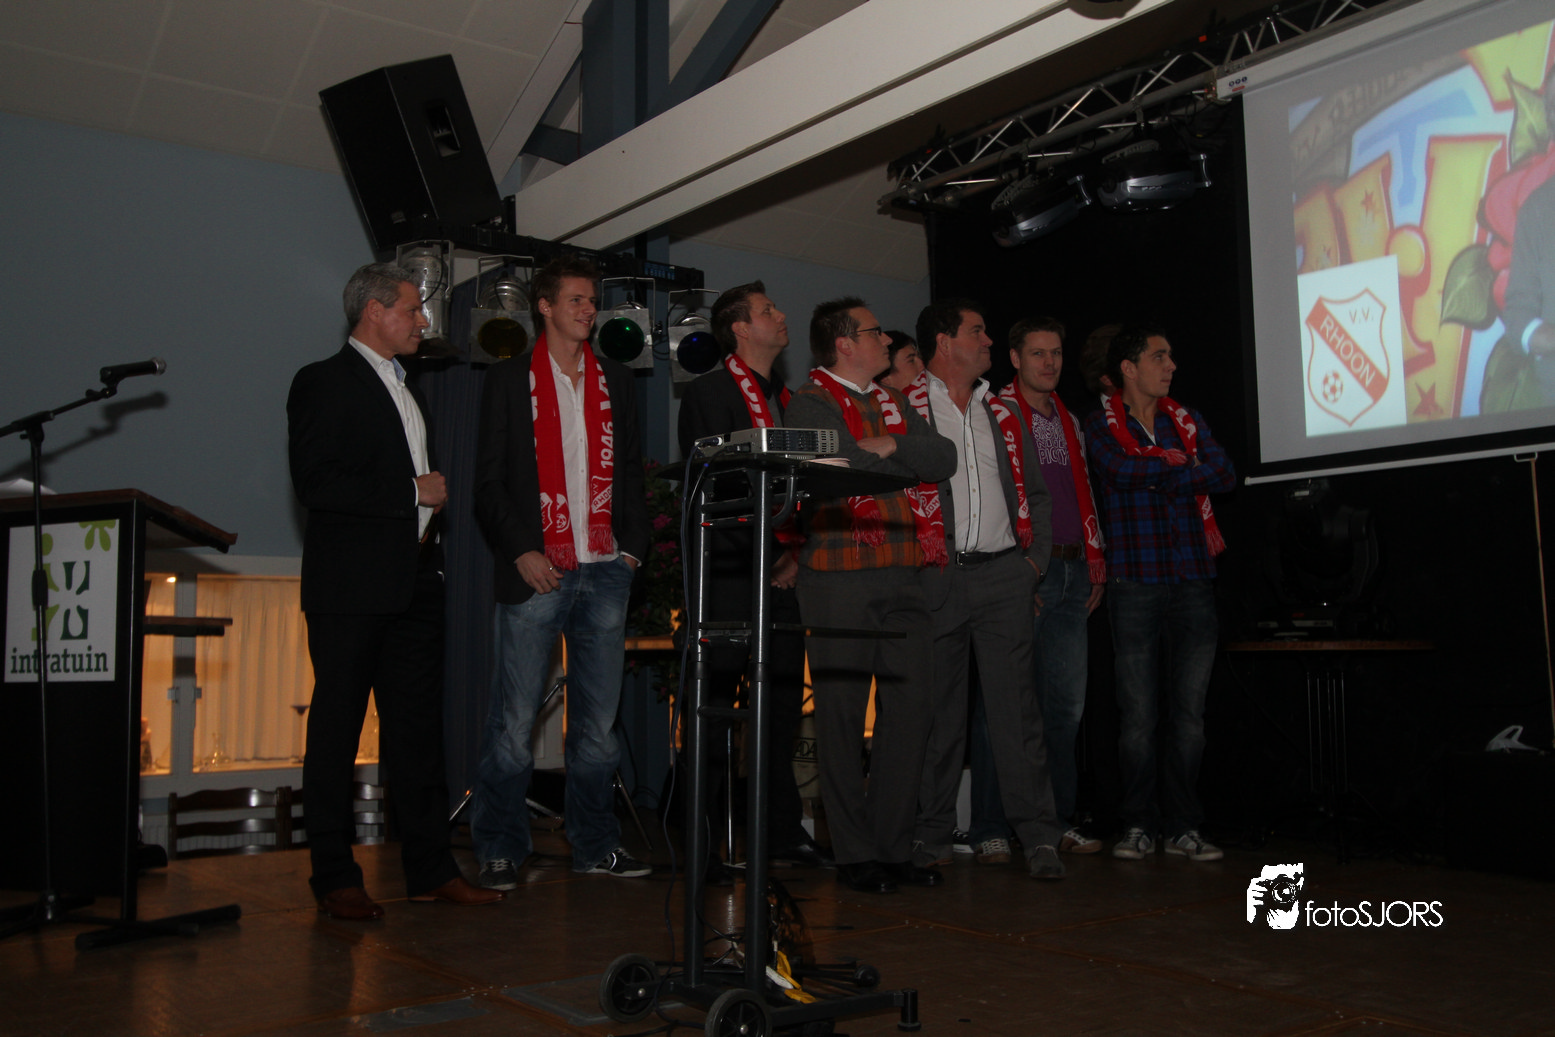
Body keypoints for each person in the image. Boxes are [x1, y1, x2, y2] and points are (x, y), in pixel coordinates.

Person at [287, 262, 502, 919]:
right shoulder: (322, 380)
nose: (422, 320)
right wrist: (413, 491)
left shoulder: (408, 388)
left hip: (416, 580)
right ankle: (334, 875)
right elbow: (317, 483)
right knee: (337, 731)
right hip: (351, 587)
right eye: (411, 308)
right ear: (374, 311)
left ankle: (430, 870)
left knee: (417, 733)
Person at [470, 255, 652, 888]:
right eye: (575, 299)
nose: (588, 309)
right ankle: (500, 846)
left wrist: (632, 551)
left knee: (598, 727)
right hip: (537, 570)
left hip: (605, 568)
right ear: (544, 307)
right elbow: (488, 482)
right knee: (514, 722)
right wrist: (522, 549)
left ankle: (596, 845)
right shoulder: (508, 379)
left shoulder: (616, 380)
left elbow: (631, 472)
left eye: (591, 300)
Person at [785, 297, 957, 894]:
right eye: (875, 332)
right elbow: (842, 470)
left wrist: (888, 446)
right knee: (840, 716)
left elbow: (943, 458)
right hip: (839, 576)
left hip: (903, 572)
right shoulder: (809, 401)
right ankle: (854, 854)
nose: (886, 340)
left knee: (911, 714)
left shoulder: (892, 402)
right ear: (844, 344)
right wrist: (894, 451)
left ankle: (892, 848)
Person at [676, 280, 832, 873]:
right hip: (730, 574)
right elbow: (715, 487)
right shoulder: (709, 392)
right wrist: (768, 556)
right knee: (715, 707)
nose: (782, 314)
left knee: (782, 709)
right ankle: (704, 844)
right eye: (768, 310)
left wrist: (795, 552)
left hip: (785, 574)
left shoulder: (791, 399)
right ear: (740, 328)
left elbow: (807, 484)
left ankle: (780, 833)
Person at [908, 300, 1067, 880]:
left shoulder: (1001, 411)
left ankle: (1040, 837)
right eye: (977, 331)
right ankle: (931, 836)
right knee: (939, 716)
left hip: (1004, 576)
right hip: (937, 576)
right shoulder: (904, 407)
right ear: (944, 342)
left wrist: (1033, 565)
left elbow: (1039, 496)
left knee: (1017, 714)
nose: (989, 341)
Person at [1083, 325, 1235, 862]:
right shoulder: (1100, 423)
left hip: (1193, 578)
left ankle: (1184, 826)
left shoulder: (1185, 420)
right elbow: (1118, 469)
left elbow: (1224, 472)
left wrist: (1163, 470)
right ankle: (1137, 824)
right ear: (1128, 367)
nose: (1171, 366)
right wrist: (1181, 467)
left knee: (1190, 718)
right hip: (1134, 583)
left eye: (1170, 356)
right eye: (1159, 356)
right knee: (1139, 718)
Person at [1001, 317, 1106, 854]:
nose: (1049, 362)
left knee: (1065, 709)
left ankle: (1056, 821)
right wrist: (1021, 570)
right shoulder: (999, 414)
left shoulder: (1068, 418)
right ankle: (993, 828)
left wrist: (1092, 557)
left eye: (1057, 353)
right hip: (1027, 571)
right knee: (1007, 708)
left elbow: (1079, 491)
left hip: (1072, 568)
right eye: (1038, 353)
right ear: (1015, 359)